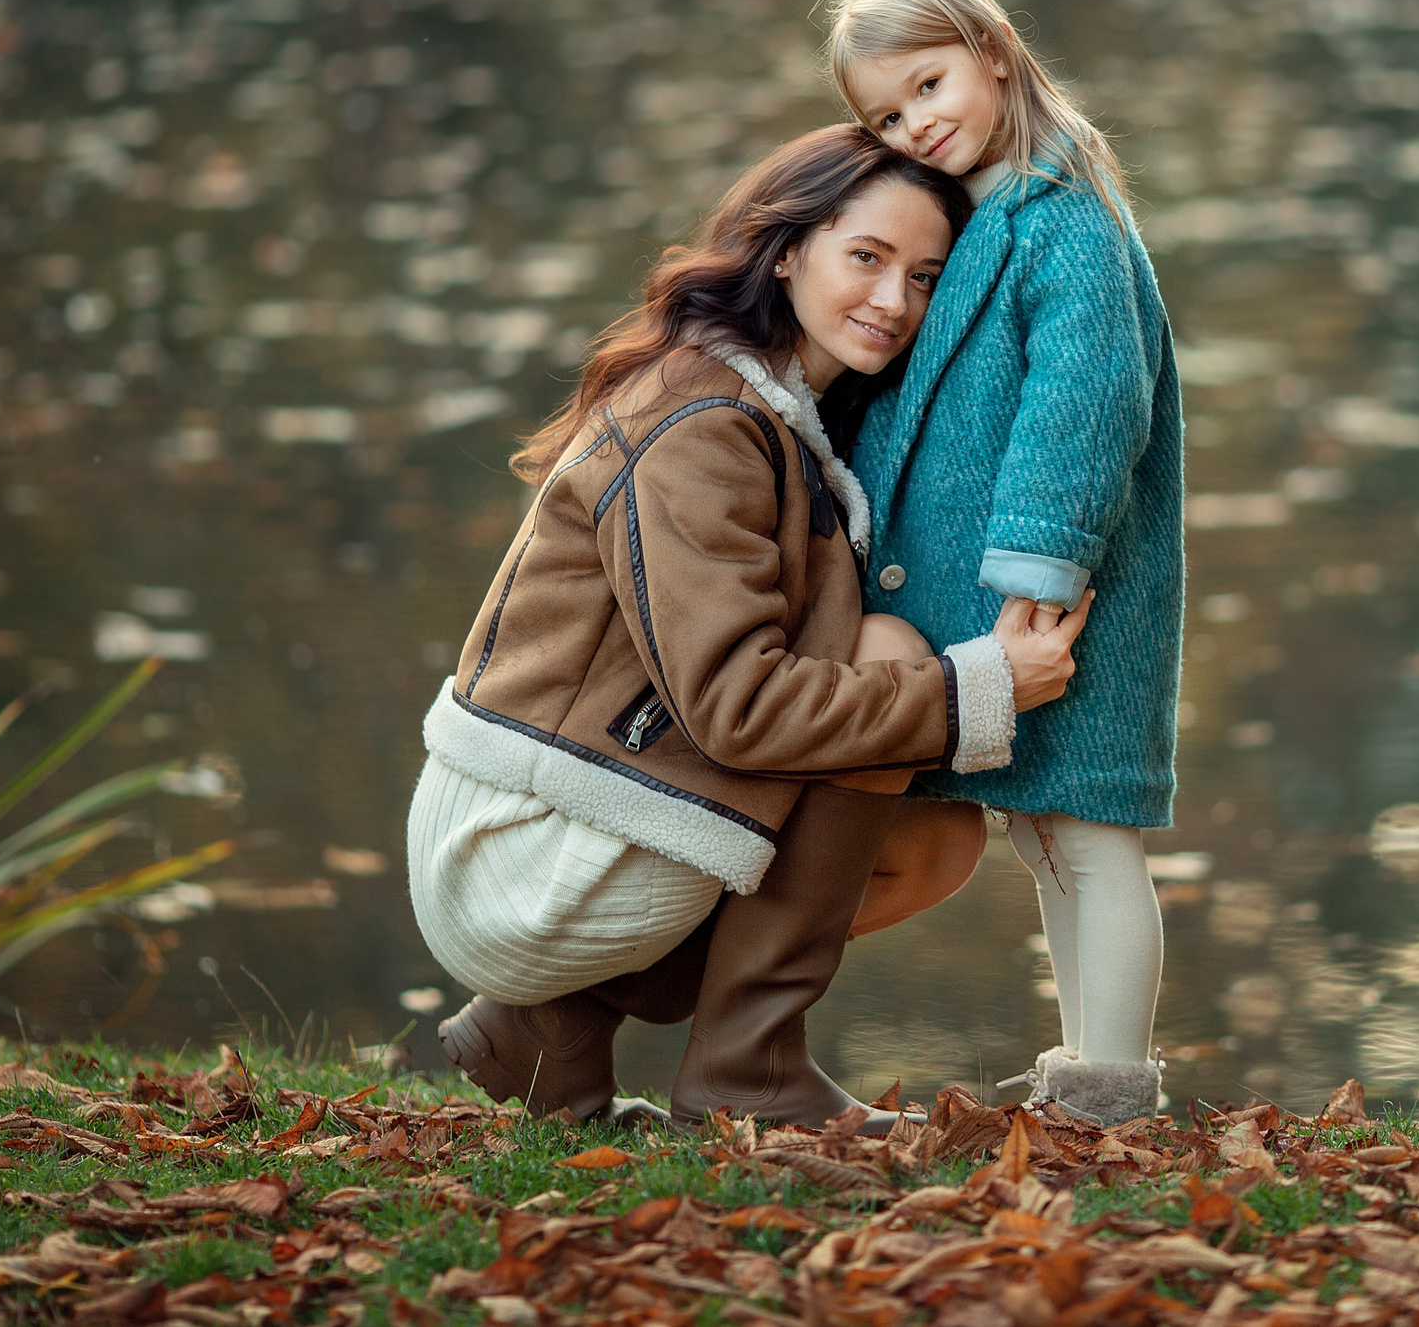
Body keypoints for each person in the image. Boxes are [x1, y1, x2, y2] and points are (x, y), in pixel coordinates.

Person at [406, 124, 1093, 1132]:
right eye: (866, 257)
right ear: (785, 249)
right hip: (517, 849)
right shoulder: (703, 425)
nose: (894, 300)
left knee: (932, 840)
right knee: (896, 665)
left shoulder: (783, 412)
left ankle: (547, 1031)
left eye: (925, 276)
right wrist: (979, 687)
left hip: (591, 810)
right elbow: (740, 709)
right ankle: (747, 1071)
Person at [821, 0, 1186, 1127]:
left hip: (1066, 592)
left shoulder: (1063, 220)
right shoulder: (975, 221)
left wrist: (1044, 562)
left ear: (988, 48)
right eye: (884, 112)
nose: (914, 123)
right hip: (1003, 600)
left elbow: (1084, 403)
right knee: (1045, 839)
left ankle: (1113, 1086)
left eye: (928, 85)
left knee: (1091, 834)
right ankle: (1086, 1067)